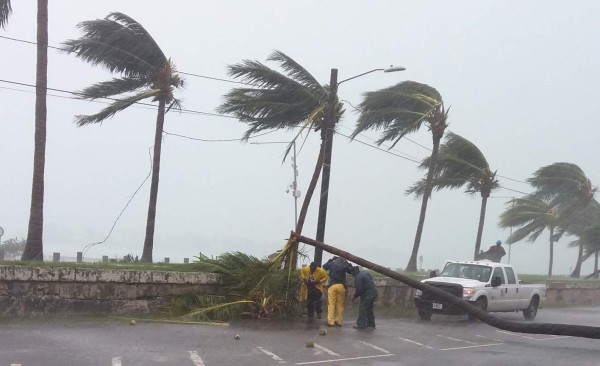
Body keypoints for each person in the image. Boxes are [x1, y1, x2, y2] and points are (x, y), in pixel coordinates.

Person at [323, 256, 352, 327]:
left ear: (335, 260)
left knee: (331, 304)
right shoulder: (344, 265)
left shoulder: (332, 264)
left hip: (332, 286)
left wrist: (331, 259)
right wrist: (346, 262)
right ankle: (339, 321)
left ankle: (331, 322)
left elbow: (324, 266)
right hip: (341, 286)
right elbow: (351, 270)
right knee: (340, 305)